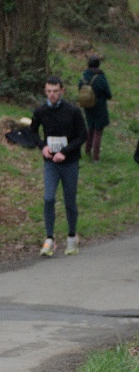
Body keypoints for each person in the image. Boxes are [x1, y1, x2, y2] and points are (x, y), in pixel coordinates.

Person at [30, 76, 88, 258]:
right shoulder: (40, 111)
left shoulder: (73, 111)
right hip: (51, 163)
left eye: (55, 91)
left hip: (69, 163)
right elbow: (32, 132)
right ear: (45, 91)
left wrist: (65, 151)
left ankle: (72, 236)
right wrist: (42, 146)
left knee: (69, 200)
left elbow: (83, 135)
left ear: (62, 91)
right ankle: (49, 239)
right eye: (49, 91)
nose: (52, 95)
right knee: (48, 198)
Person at [78, 55, 112, 162]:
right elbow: (108, 94)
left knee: (90, 128)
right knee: (98, 131)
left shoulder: (83, 76)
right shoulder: (100, 77)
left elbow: (80, 88)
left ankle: (87, 150)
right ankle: (96, 156)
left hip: (87, 106)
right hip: (99, 107)